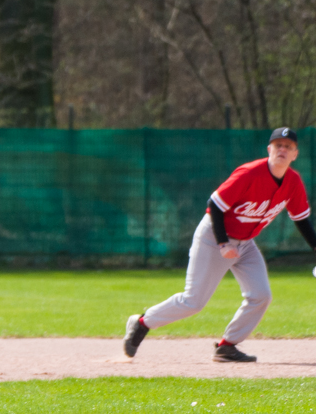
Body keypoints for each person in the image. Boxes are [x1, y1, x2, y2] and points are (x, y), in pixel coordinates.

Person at [123, 128, 316, 363]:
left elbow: (301, 220)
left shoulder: (293, 182)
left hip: (245, 243)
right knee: (193, 301)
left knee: (261, 295)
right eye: (278, 145)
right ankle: (142, 322)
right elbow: (214, 205)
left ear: (295, 154)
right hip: (214, 237)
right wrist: (223, 243)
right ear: (269, 150)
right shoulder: (250, 173)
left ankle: (227, 346)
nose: (282, 150)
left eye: (288, 146)